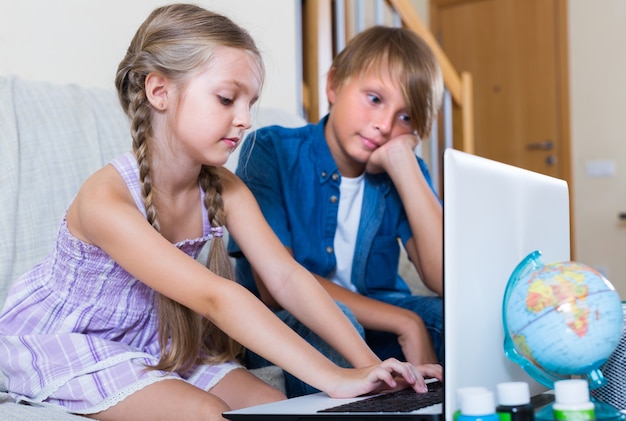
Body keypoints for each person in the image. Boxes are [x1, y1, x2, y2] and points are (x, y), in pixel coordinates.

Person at [0, 6, 441, 421]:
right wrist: (333, 377)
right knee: (205, 412)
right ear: (159, 91)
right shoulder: (105, 199)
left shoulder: (225, 188)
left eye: (250, 102)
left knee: (273, 405)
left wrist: (369, 369)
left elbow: (287, 277)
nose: (246, 119)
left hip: (155, 343)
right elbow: (217, 297)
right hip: (72, 342)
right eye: (228, 99)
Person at [229, 25, 444, 398]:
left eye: (405, 118)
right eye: (375, 99)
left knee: (450, 317)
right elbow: (275, 287)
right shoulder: (271, 150)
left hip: (378, 317)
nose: (385, 125)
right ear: (334, 85)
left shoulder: (403, 167)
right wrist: (405, 322)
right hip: (294, 320)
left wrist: (402, 161)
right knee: (340, 321)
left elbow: (443, 278)